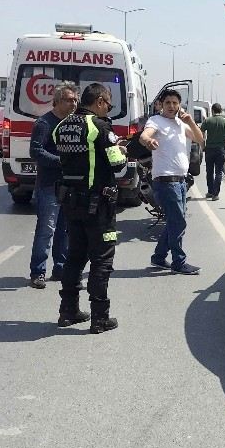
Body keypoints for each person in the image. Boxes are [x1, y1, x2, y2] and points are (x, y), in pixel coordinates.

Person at [53, 83, 128, 333]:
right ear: (98, 102)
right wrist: (121, 151)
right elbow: (118, 165)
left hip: (71, 203)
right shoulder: (100, 126)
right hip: (99, 205)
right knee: (101, 260)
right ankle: (99, 318)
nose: (109, 109)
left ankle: (68, 311)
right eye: (109, 104)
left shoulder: (62, 126)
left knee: (74, 257)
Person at [138, 89, 205, 274]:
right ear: (160, 104)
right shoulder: (156, 121)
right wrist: (148, 141)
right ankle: (178, 261)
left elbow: (200, 139)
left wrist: (189, 120)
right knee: (179, 222)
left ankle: (159, 257)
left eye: (175, 103)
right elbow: (145, 135)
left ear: (179, 105)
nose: (172, 106)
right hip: (166, 181)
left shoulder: (180, 124)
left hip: (181, 181)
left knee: (175, 221)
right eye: (168, 103)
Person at [28, 83, 79, 289]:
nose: (73, 103)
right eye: (69, 100)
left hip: (70, 185)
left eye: (76, 99)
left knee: (65, 230)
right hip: (49, 185)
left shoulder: (73, 123)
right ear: (57, 101)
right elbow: (36, 152)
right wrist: (61, 161)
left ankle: (60, 268)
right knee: (46, 230)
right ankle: (38, 272)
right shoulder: (44, 123)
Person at [200, 103, 225, 200]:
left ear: (212, 110)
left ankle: (210, 191)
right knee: (218, 172)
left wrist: (203, 146)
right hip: (220, 150)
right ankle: (215, 194)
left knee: (209, 172)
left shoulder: (207, 121)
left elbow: (201, 134)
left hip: (209, 150)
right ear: (221, 111)